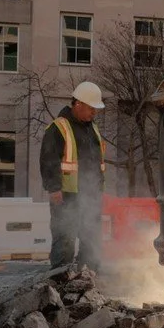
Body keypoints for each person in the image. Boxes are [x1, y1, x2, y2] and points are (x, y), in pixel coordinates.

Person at [39, 81, 106, 271]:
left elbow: (95, 162)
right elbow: (48, 159)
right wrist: (54, 188)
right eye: (91, 109)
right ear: (78, 104)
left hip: (90, 195)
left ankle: (88, 278)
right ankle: (61, 280)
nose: (95, 113)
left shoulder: (91, 128)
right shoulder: (59, 127)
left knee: (91, 237)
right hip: (66, 195)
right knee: (64, 237)